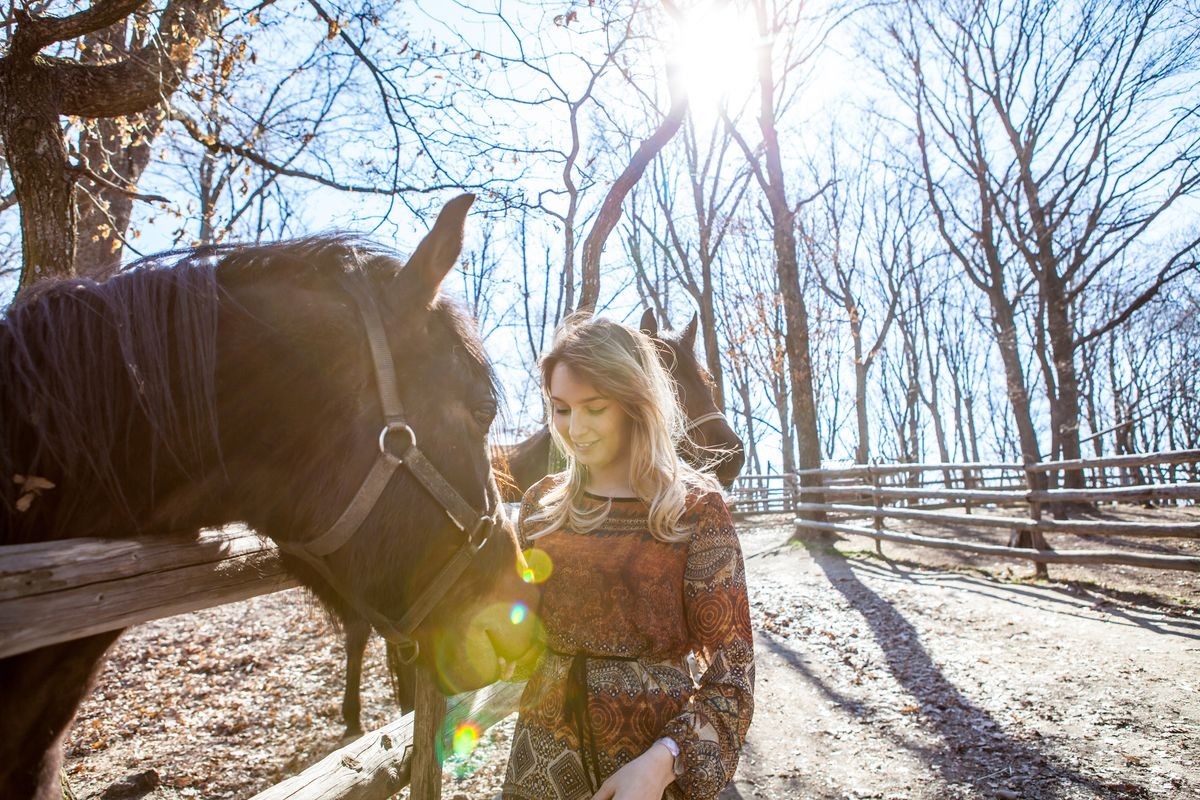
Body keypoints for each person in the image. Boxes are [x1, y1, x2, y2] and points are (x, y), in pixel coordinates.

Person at [501, 314, 754, 800]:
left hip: (653, 780)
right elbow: (516, 638)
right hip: (539, 772)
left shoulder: (695, 510)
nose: (575, 429)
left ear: (635, 400)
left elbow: (733, 674)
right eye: (560, 409)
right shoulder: (541, 506)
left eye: (594, 408)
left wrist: (662, 764)